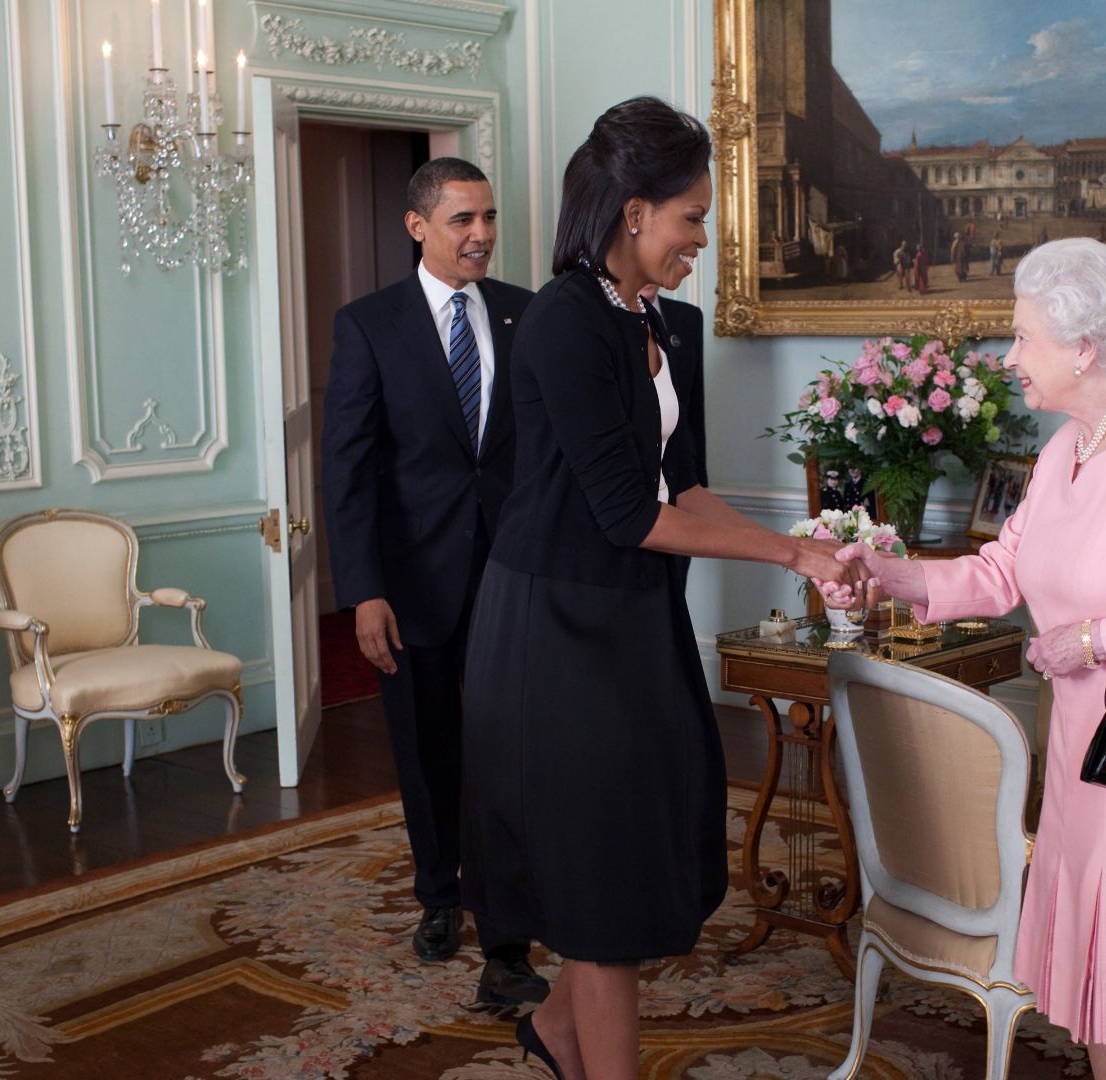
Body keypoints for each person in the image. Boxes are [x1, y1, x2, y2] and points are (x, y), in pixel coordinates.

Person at [460, 97, 862, 1079]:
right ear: (633, 211)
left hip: (630, 619)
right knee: (599, 897)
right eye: (691, 219)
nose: (701, 241)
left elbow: (681, 488)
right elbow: (627, 516)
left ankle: (553, 1033)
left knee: (645, 852)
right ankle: (580, 1045)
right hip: (555, 630)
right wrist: (789, 557)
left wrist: (795, 544)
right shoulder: (562, 322)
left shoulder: (660, 324)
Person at [824, 237, 1106, 1080]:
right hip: (1082, 737)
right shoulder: (1069, 446)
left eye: (1023, 337)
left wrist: (1098, 639)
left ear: (1084, 348)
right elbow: (1003, 570)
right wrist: (889, 576)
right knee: (1100, 964)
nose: (1010, 356)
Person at [321, 157, 549, 1010]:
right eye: (463, 220)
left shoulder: (528, 314)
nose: (482, 235)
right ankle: (438, 895)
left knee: (508, 755)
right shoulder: (368, 325)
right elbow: (349, 471)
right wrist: (364, 591)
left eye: (489, 218)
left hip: (514, 579)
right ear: (418, 225)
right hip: (411, 584)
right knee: (427, 751)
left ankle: (508, 939)